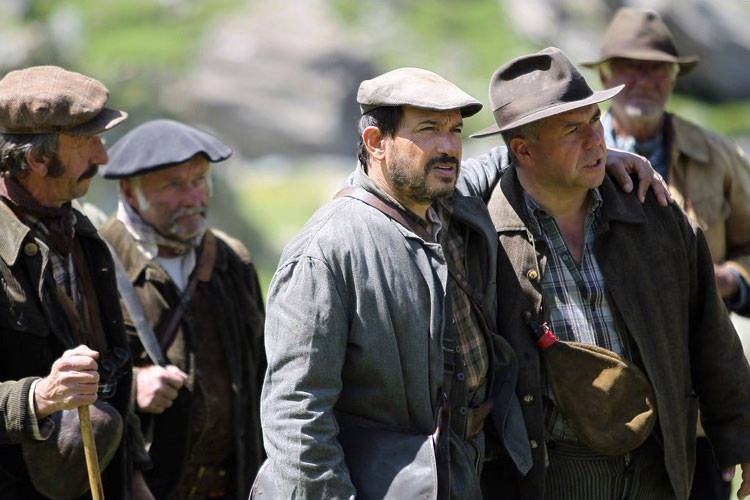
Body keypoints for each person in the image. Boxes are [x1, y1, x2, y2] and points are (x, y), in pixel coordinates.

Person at [253, 65, 668, 499]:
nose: (449, 147)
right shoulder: (325, 253)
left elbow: (515, 153)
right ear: (376, 143)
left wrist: (594, 155)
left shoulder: (446, 201)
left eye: (455, 130)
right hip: (385, 482)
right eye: (429, 129)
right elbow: (296, 417)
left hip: (466, 470)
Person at [471, 46, 750, 500]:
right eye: (571, 129)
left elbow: (709, 331)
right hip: (550, 476)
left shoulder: (653, 211)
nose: (596, 140)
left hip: (657, 465)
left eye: (596, 121)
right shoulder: (483, 237)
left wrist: (741, 434)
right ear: (522, 150)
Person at [581, 8, 750, 499]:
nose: (644, 80)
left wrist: (729, 279)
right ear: (606, 75)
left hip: (693, 403)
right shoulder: (572, 156)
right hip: (595, 399)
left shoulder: (714, 154)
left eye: (658, 68)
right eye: (630, 67)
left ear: (674, 77)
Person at [0, 65, 154, 499]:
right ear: (37, 159)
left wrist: (135, 477)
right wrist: (39, 397)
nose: (103, 157)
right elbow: (46, 396)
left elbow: (112, 367)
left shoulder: (81, 234)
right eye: (87, 142)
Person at [97, 119, 266, 499]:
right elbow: (59, 378)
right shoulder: (97, 262)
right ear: (129, 190)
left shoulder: (230, 260)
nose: (193, 198)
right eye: (174, 185)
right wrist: (133, 385)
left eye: (199, 181)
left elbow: (263, 374)